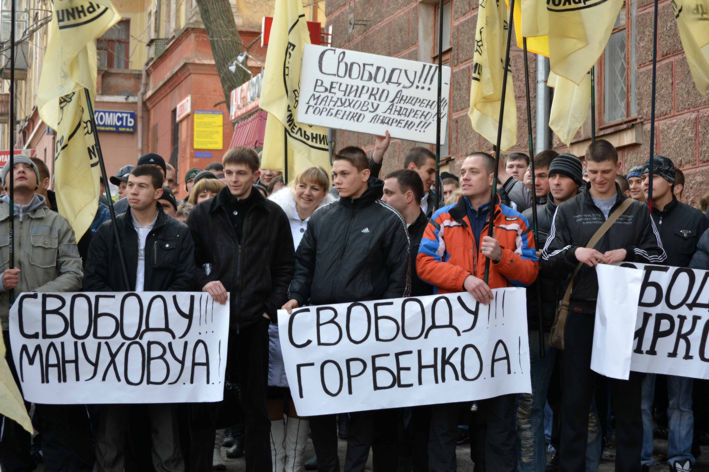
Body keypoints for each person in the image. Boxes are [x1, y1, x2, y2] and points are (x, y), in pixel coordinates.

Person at [541, 139, 666, 472]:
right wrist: (575, 252)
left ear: (618, 168)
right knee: (575, 402)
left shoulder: (639, 211)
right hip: (581, 313)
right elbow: (546, 258)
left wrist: (630, 254)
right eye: (593, 172)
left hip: (624, 317)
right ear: (585, 170)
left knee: (626, 404)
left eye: (606, 172)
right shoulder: (568, 210)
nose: (599, 178)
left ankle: (629, 466)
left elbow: (659, 257)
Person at [283, 146, 409, 472]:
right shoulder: (322, 217)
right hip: (321, 328)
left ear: (365, 174)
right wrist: (296, 296)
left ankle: (354, 467)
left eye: (343, 174)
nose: (336, 180)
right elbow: (304, 266)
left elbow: (399, 279)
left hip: (366, 331)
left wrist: (386, 321)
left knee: (363, 408)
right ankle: (328, 466)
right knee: (320, 403)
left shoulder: (388, 220)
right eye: (334, 174)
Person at [417, 152, 539, 471]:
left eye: (473, 171)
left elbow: (530, 273)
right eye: (462, 171)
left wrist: (502, 257)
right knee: (444, 417)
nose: (465, 177)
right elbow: (424, 264)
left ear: (490, 178)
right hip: (451, 333)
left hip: (498, 336)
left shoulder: (515, 221)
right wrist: (465, 279)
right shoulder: (442, 219)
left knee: (498, 417)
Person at [188, 147, 295, 471]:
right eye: (229, 173)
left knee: (256, 410)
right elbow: (187, 263)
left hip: (253, 323)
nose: (233, 179)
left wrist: (269, 307)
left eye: (241, 173)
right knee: (205, 405)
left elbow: (285, 267)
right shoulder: (202, 214)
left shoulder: (272, 215)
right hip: (211, 323)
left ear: (255, 175)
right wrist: (205, 282)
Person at [83, 164, 196, 472]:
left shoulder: (179, 232)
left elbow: (185, 281)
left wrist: (153, 313)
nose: (132, 190)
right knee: (112, 419)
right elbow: (92, 280)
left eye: (141, 186)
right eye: (130, 185)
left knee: (164, 419)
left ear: (158, 192)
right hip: (116, 339)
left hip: (160, 340)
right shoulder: (109, 232)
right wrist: (122, 312)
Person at [0, 156, 88, 471]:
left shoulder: (57, 223)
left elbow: (74, 274)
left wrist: (37, 298)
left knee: (54, 410)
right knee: (11, 411)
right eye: (14, 167)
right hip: (4, 333)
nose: (21, 169)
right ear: (5, 182)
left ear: (40, 182)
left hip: (48, 333)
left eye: (28, 168)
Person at [639, 155, 708, 472]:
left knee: (680, 398)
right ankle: (642, 455)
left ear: (670, 181)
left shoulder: (695, 220)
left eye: (651, 176)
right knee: (642, 397)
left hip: (682, 325)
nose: (644, 183)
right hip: (643, 323)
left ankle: (681, 456)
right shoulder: (636, 216)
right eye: (641, 178)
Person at [518, 153, 583, 472]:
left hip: (577, 322)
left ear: (577, 181)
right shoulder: (530, 217)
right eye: (549, 176)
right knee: (531, 404)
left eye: (561, 176)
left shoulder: (587, 217)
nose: (554, 182)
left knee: (577, 405)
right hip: (537, 323)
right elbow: (521, 264)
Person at [268, 167, 334, 471]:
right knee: (272, 386)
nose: (307, 193)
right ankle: (276, 458)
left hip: (311, 316)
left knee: (301, 385)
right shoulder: (275, 216)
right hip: (274, 312)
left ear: (324, 194)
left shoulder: (329, 221)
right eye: (302, 186)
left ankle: (292, 461)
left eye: (315, 189)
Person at [381, 169, 434, 470]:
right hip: (390, 331)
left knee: (419, 410)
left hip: (424, 331)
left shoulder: (433, 230)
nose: (383, 198)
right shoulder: (385, 228)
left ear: (409, 196)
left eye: (389, 193)